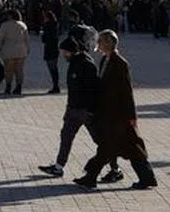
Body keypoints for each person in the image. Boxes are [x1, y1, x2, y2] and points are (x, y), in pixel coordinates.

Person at [73, 31, 158, 191]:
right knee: (126, 148)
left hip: (119, 116)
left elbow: (127, 91)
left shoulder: (120, 63)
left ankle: (91, 177)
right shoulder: (105, 59)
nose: (98, 44)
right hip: (108, 113)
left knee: (112, 147)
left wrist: (132, 116)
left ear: (109, 43)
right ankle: (146, 178)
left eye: (101, 42)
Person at [38, 36, 121, 181]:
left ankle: (115, 169)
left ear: (72, 51)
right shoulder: (74, 62)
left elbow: (92, 90)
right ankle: (58, 166)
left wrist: (91, 111)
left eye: (65, 52)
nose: (63, 55)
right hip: (73, 110)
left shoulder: (86, 65)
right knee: (66, 137)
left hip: (86, 111)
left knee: (101, 141)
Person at [0, 9, 30, 96]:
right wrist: (27, 49)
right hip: (21, 50)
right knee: (19, 70)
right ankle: (19, 87)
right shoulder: (23, 25)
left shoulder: (4, 25)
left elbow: (0, 38)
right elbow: (27, 39)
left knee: (8, 70)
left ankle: (8, 87)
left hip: (8, 50)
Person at [42, 10, 61, 94]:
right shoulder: (56, 26)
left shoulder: (47, 27)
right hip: (55, 48)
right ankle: (56, 85)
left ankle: (55, 86)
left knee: (52, 68)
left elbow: (44, 39)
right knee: (54, 68)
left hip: (49, 49)